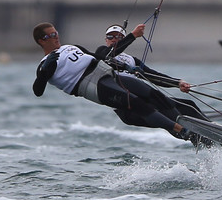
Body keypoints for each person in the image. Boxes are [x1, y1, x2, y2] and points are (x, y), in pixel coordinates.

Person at [30, 22, 195, 141]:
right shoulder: (44, 65)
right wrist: (45, 71)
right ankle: (183, 131)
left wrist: (126, 67)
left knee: (151, 93)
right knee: (137, 103)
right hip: (90, 85)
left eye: (56, 33)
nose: (55, 37)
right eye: (50, 36)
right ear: (41, 41)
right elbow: (38, 91)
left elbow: (100, 58)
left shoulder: (70, 46)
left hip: (107, 73)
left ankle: (193, 127)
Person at [97, 23, 193, 93]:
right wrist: (133, 35)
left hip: (138, 92)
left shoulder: (132, 60)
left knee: (188, 104)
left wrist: (178, 83)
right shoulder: (101, 52)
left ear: (124, 40)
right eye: (110, 36)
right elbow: (107, 55)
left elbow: (152, 75)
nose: (114, 39)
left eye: (119, 37)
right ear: (106, 40)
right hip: (121, 96)